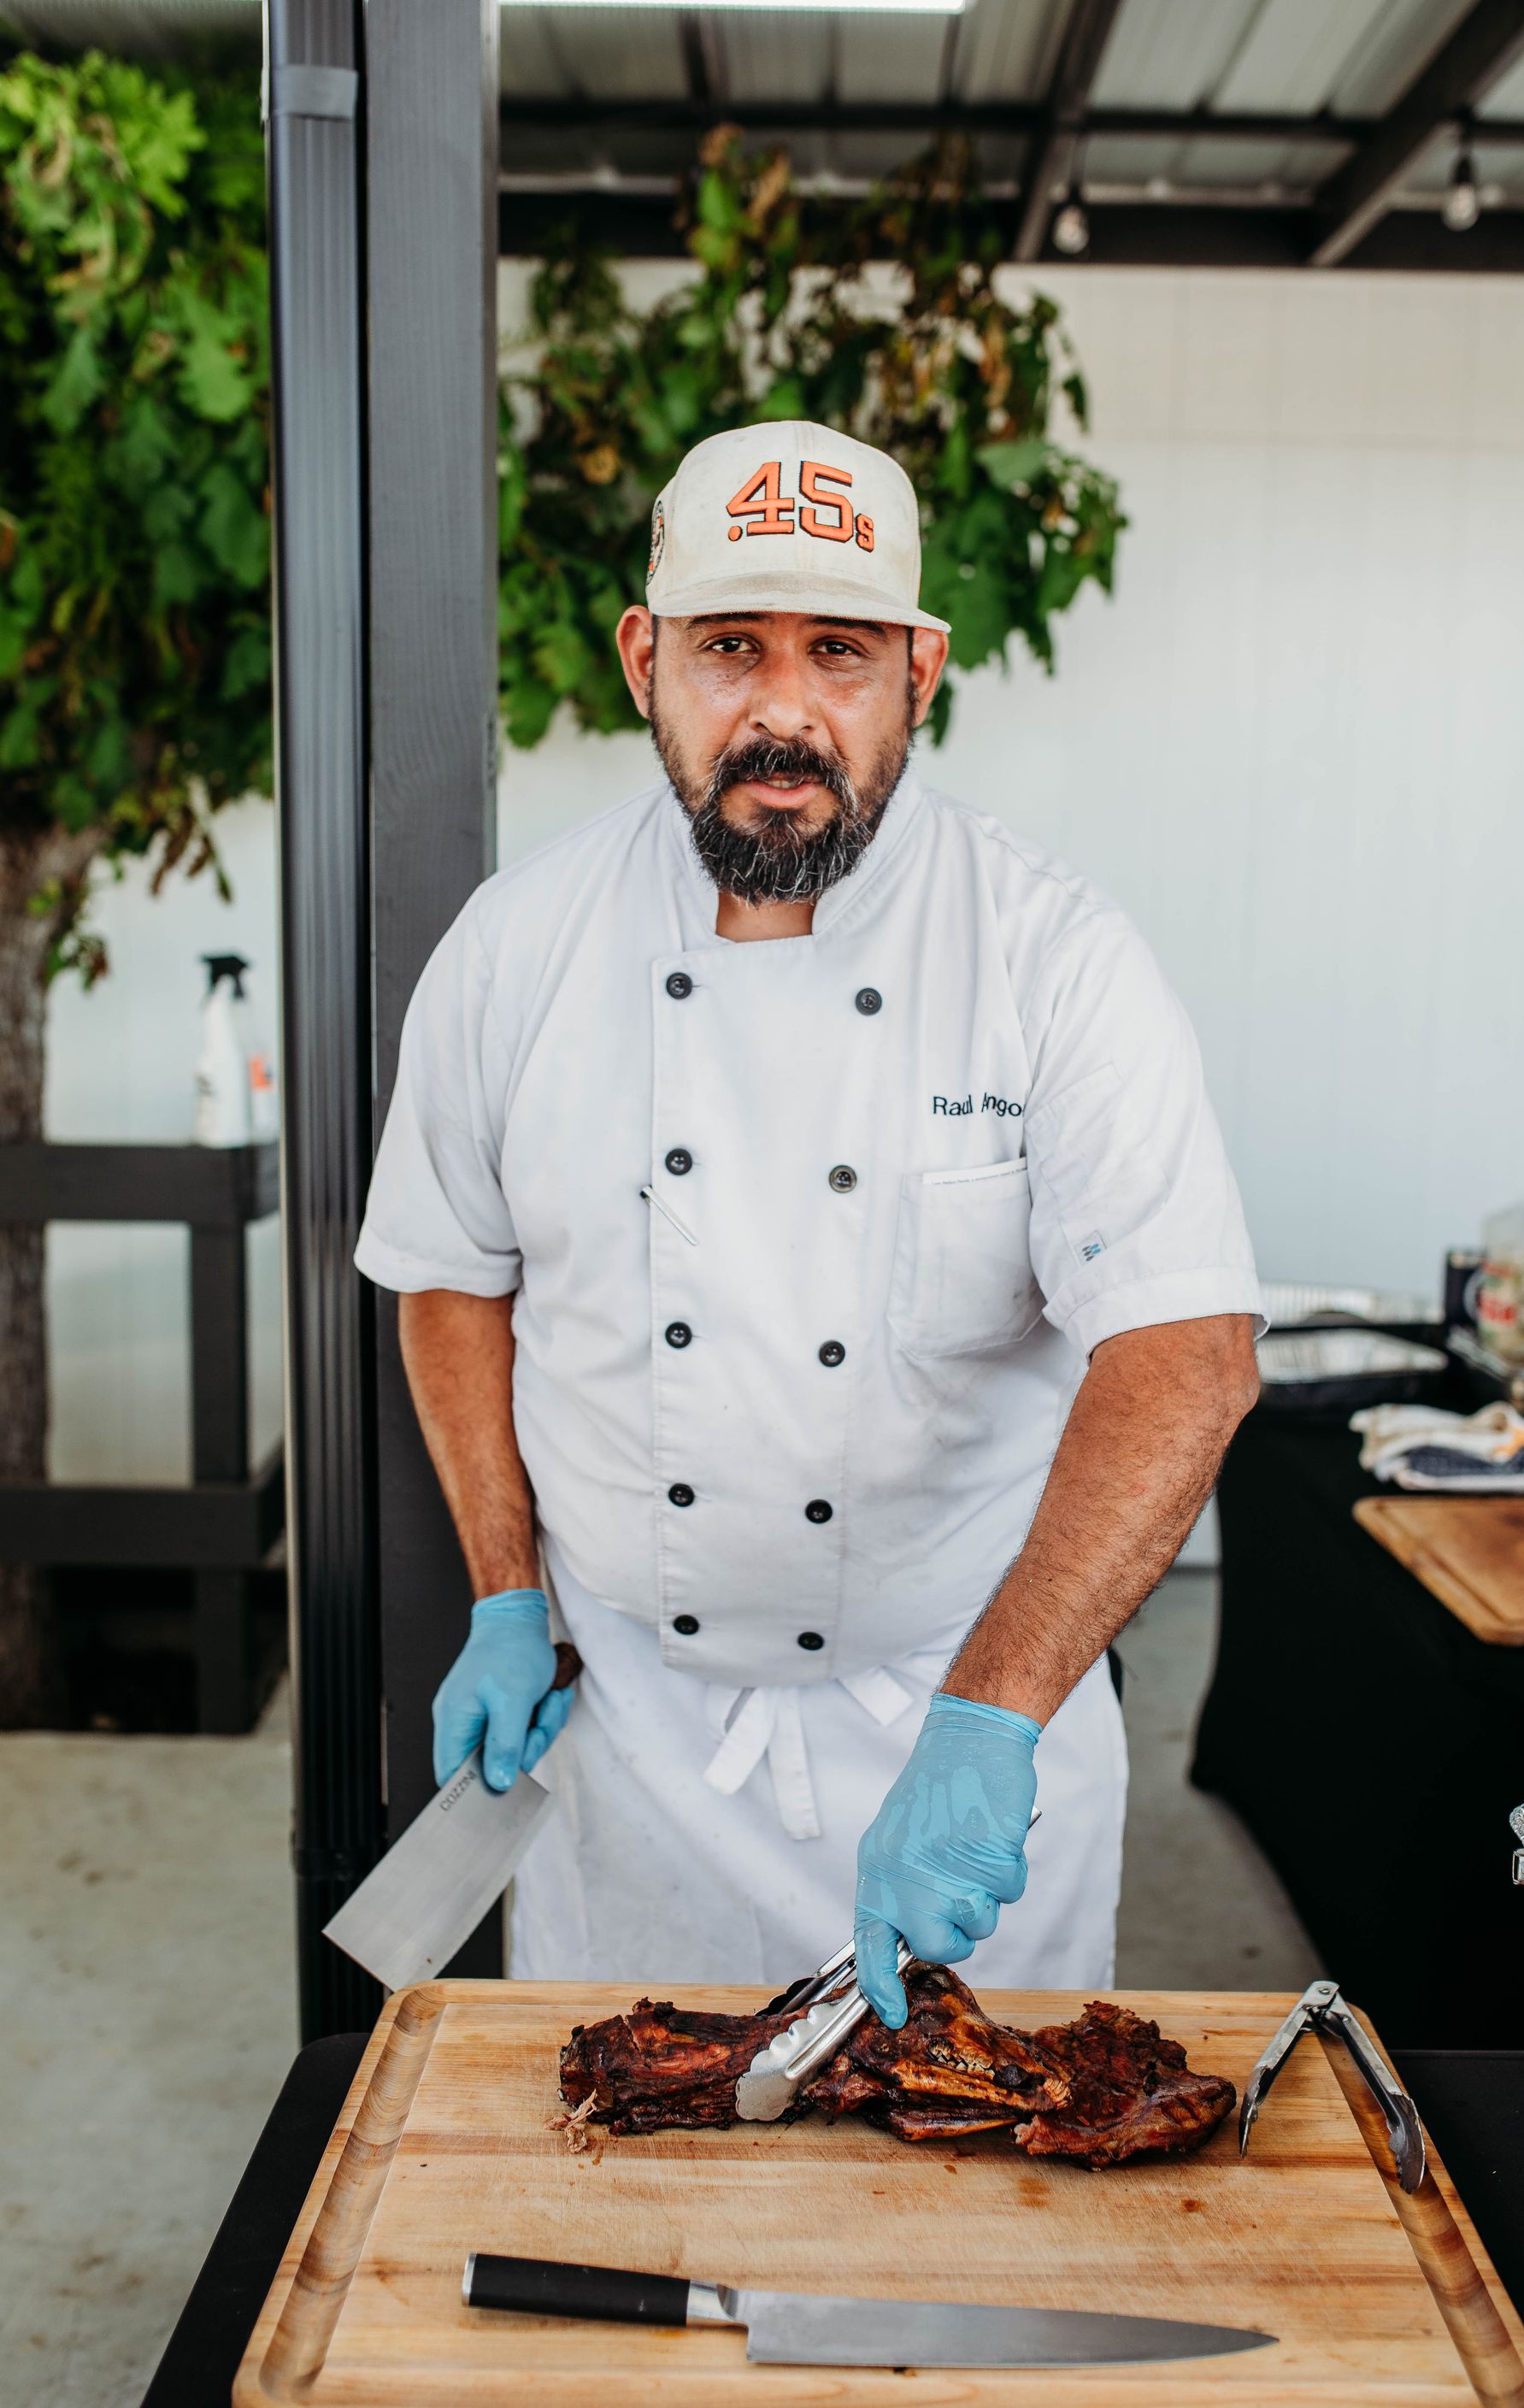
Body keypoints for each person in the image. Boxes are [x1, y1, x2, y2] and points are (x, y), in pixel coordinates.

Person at [355, 420, 1261, 2027]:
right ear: (646, 659)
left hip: (968, 1727)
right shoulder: (515, 952)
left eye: (838, 651)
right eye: (730, 648)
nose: (784, 709)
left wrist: (992, 1720)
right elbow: (450, 1276)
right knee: (632, 2234)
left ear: (920, 668)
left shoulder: (1055, 959)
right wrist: (507, 1585)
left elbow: (1184, 1352)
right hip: (632, 1747)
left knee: (982, 2248)